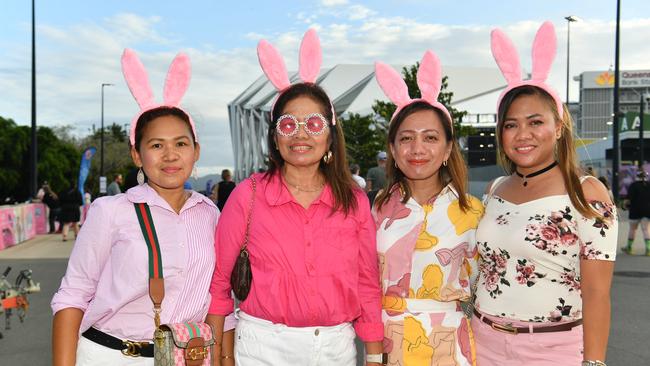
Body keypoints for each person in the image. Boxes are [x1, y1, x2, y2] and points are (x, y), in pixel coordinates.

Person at [208, 29, 384, 366]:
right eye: (288, 125)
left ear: (331, 136)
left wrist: (374, 356)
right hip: (260, 349)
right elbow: (219, 283)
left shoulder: (354, 200)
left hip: (337, 348)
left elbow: (367, 282)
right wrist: (219, 354)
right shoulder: (248, 195)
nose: (300, 134)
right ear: (275, 137)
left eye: (314, 124)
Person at [51, 49, 235, 366]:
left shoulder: (212, 215)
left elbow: (220, 298)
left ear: (196, 151)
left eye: (180, 143)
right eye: (156, 145)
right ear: (137, 155)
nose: (170, 155)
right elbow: (73, 295)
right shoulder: (110, 210)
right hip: (111, 355)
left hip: (186, 357)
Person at [472, 22, 618, 366]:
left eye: (536, 122)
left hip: (554, 352)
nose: (523, 134)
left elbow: (598, 295)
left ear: (558, 126)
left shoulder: (588, 194)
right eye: (511, 124)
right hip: (483, 342)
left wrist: (594, 362)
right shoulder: (495, 190)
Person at [373, 51, 483, 365]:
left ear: (448, 148)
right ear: (392, 150)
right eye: (406, 138)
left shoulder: (473, 212)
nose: (418, 149)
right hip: (385, 343)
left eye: (430, 137)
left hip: (449, 345)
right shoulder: (376, 211)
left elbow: (484, 283)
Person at [623, 171, 650, 255]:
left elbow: (627, 200)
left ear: (637, 177)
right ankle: (648, 249)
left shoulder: (633, 185)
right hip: (647, 211)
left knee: (633, 229)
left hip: (634, 210)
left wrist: (624, 206)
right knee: (646, 229)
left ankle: (629, 248)